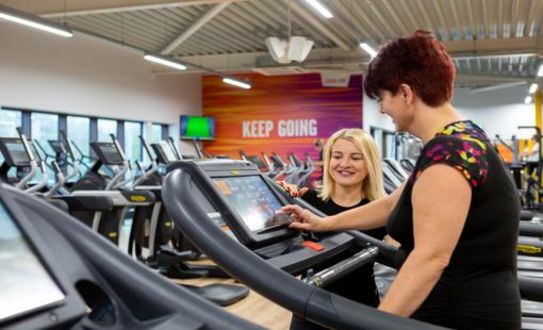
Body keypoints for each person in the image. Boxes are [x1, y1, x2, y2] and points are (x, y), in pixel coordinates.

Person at [283, 30, 521, 330]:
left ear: (406, 93)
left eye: (383, 98)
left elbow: (430, 259)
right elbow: (393, 203)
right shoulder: (457, 141)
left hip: (461, 315)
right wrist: (322, 223)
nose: (382, 109)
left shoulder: (449, 155)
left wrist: (374, 324)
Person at [279, 128, 387, 330]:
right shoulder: (308, 201)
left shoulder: (378, 210)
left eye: (356, 158)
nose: (344, 164)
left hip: (360, 306)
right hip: (310, 304)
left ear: (369, 164)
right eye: (337, 156)